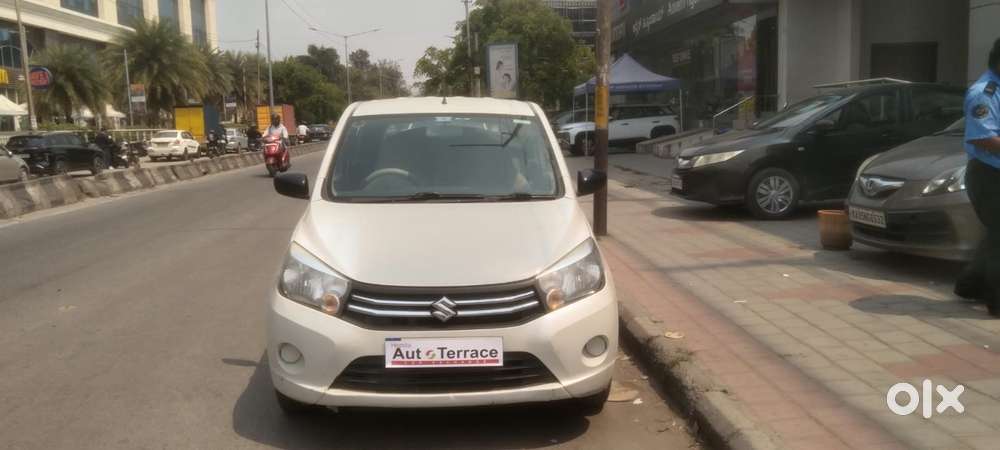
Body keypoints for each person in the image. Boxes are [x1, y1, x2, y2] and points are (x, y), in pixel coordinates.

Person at [956, 37, 1000, 316]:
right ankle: (996, 301)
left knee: (996, 235)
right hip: (988, 177)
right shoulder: (984, 92)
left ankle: (968, 284)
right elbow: (984, 138)